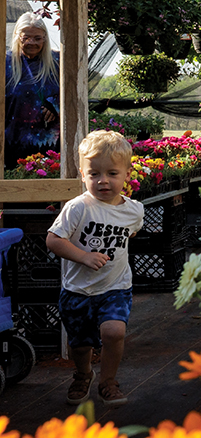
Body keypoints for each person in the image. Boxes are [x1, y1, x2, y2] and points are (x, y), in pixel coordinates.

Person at [45, 130, 144, 407]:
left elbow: (129, 234)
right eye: (94, 174)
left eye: (112, 173)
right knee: (80, 342)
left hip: (115, 286)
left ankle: (108, 381)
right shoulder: (78, 208)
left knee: (114, 332)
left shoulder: (134, 211)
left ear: (126, 174)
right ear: (82, 174)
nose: (103, 181)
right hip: (78, 289)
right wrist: (84, 256)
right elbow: (53, 240)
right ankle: (83, 373)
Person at [5, 12, 60, 170]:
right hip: (13, 141)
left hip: (49, 143)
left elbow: (72, 94)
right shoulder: (6, 62)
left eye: (37, 38)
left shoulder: (57, 62)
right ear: (17, 35)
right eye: (26, 37)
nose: (32, 42)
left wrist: (55, 105)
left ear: (45, 38)